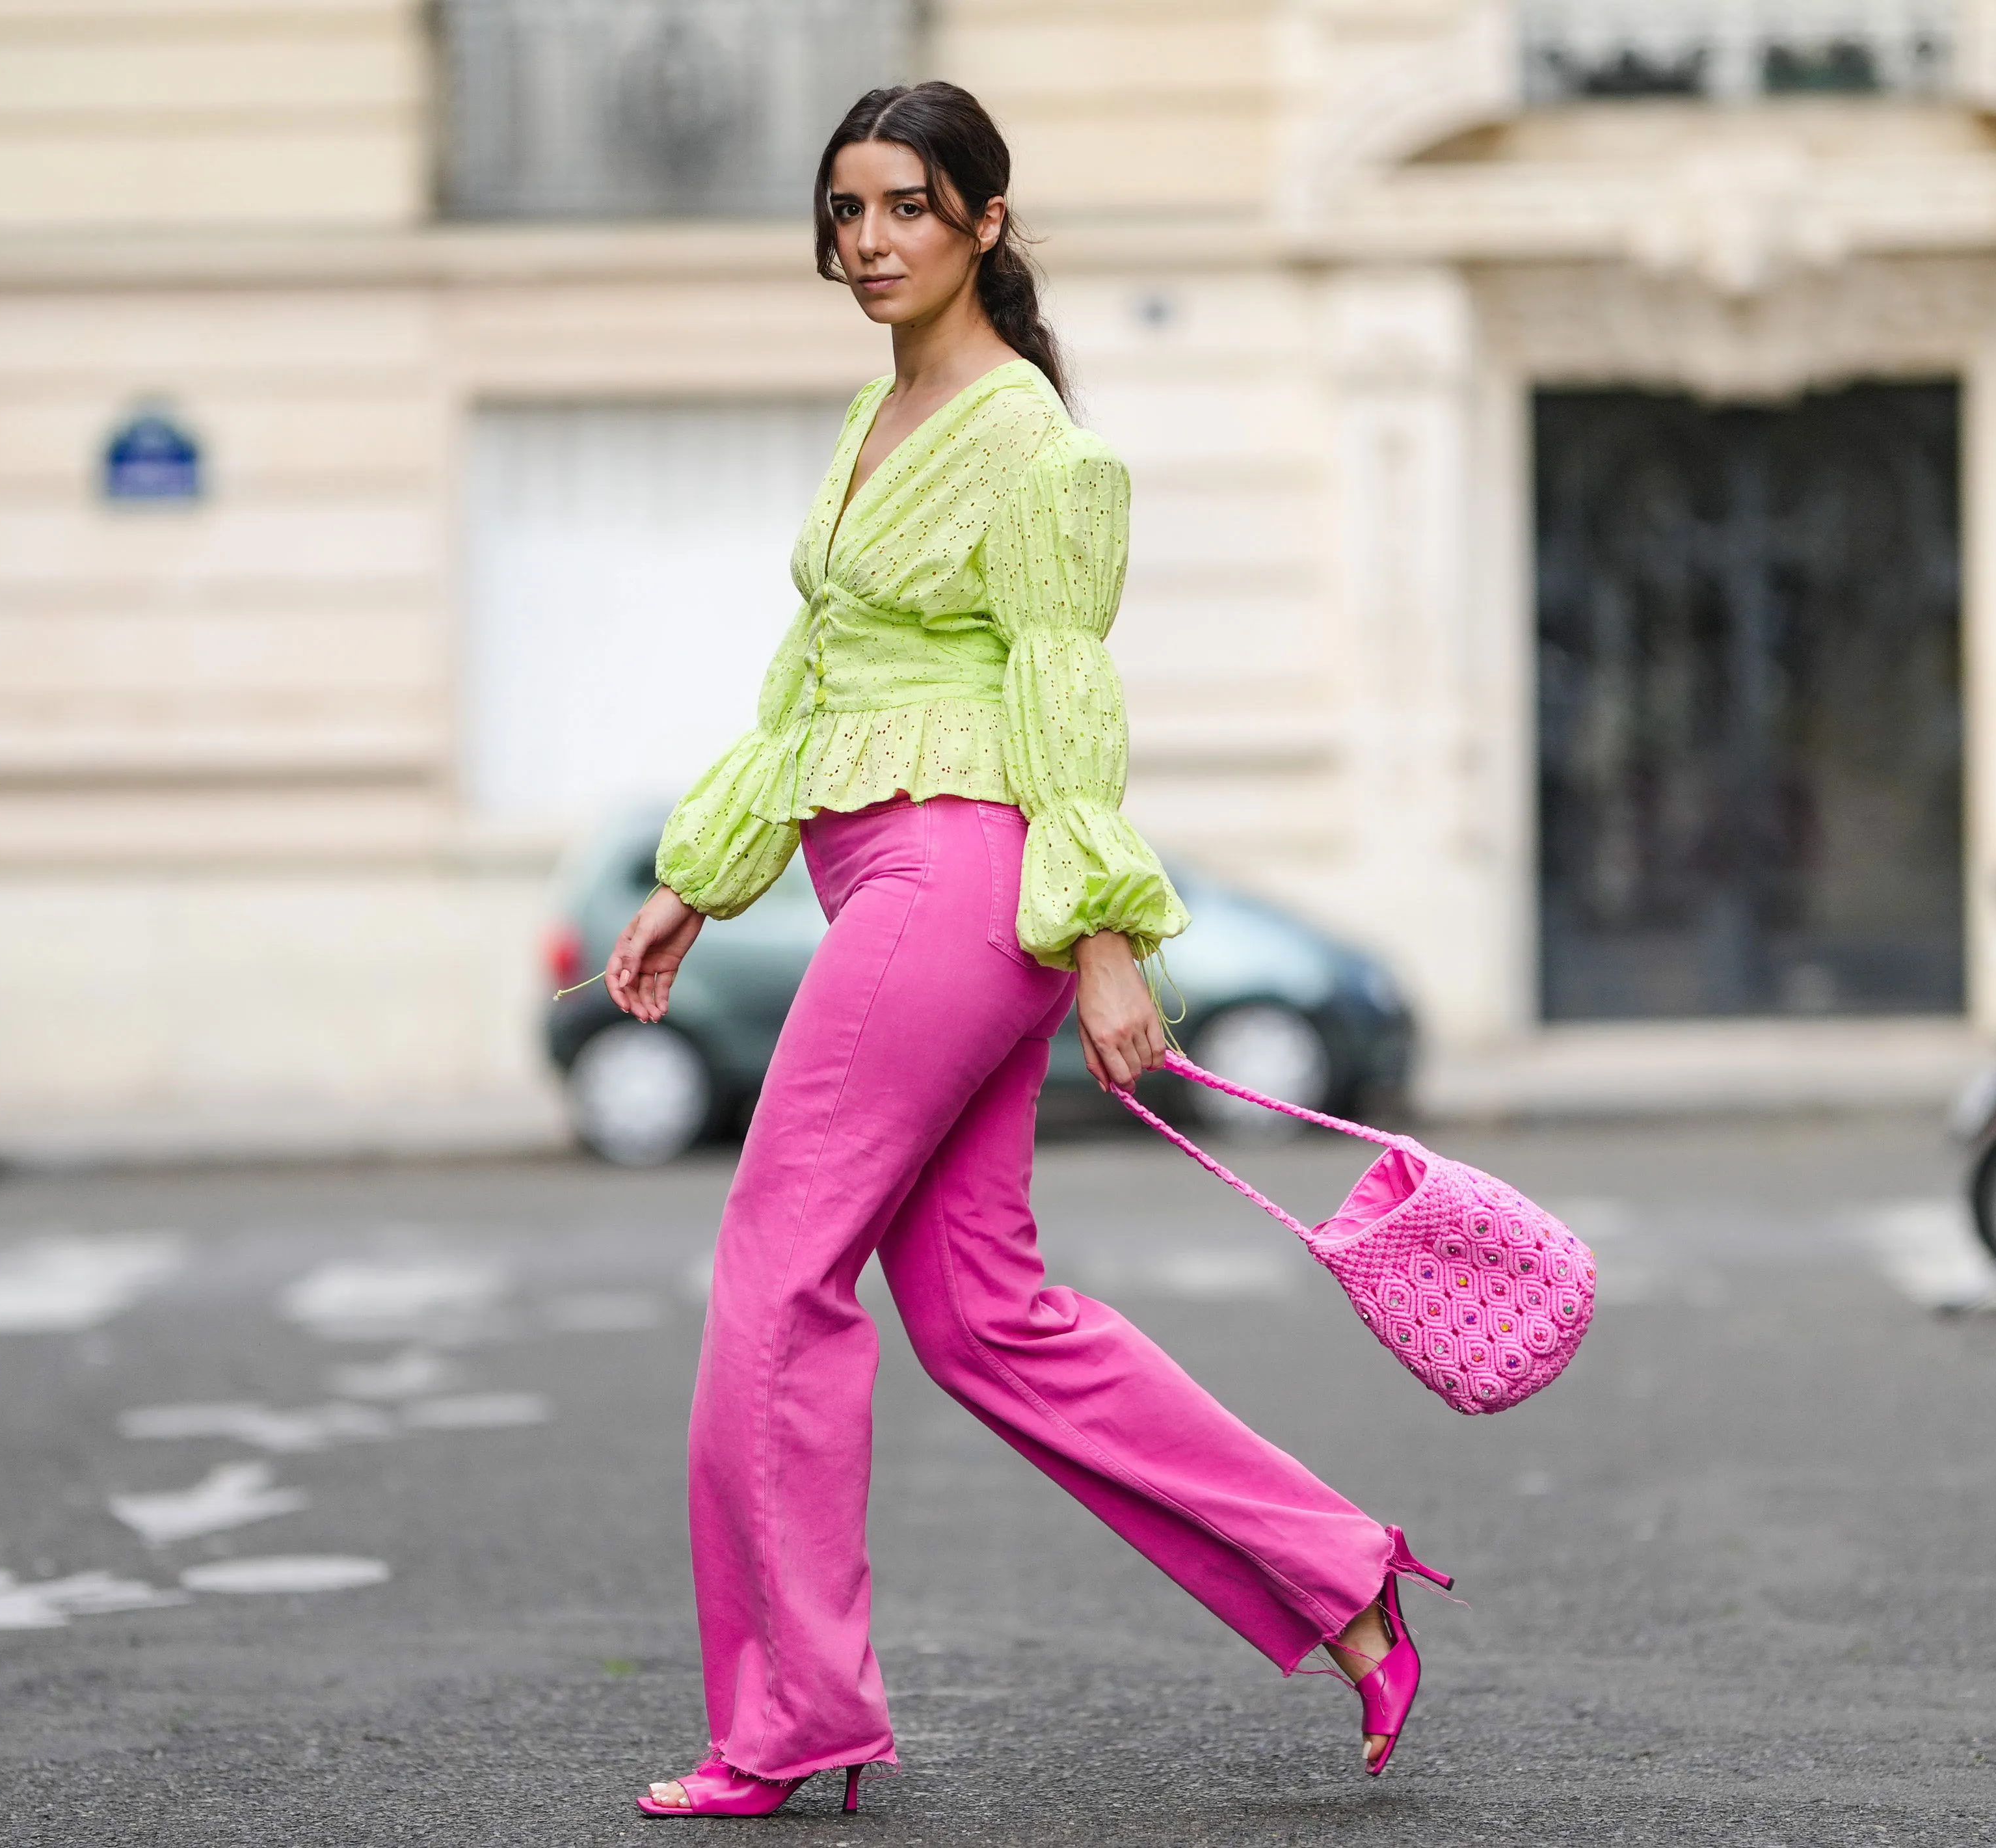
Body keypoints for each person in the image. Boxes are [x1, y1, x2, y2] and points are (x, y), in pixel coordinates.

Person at [609, 81, 1448, 1821]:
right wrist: (701, 875)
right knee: (983, 1317)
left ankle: (786, 1718)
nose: (866, 243)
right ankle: (1336, 1580)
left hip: (956, 881)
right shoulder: (873, 420)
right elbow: (810, 682)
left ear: (985, 221)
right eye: (842, 213)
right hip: (879, 883)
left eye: (904, 207)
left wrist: (1107, 935)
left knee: (775, 1281)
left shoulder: (1036, 449)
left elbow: (1065, 692)